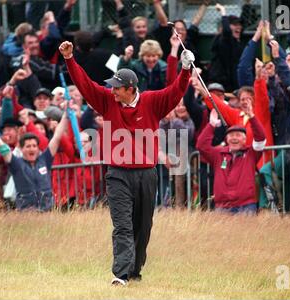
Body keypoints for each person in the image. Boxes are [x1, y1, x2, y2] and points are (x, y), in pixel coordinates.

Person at [59, 40, 193, 285]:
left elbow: (175, 93)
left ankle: (134, 271)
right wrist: (70, 59)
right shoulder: (107, 101)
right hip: (118, 174)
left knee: (143, 227)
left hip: (147, 174)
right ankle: (120, 274)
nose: (112, 91)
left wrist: (185, 70)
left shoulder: (152, 101)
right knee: (122, 225)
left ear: (130, 88)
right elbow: (85, 85)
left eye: (117, 88)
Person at [0, 110, 69, 212]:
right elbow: (1, 146)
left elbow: (57, 137)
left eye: (34, 146)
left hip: (48, 212)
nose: (32, 149)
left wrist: (66, 114)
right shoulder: (16, 163)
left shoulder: (45, 159)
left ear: (38, 148)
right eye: (28, 146)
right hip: (26, 213)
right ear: (22, 149)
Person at [197, 108, 266, 214]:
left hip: (246, 206)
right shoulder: (218, 154)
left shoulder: (251, 153)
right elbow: (201, 146)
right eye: (231, 135)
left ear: (244, 140)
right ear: (226, 139)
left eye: (238, 135)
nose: (234, 138)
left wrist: (252, 117)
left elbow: (261, 138)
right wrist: (211, 125)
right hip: (222, 207)